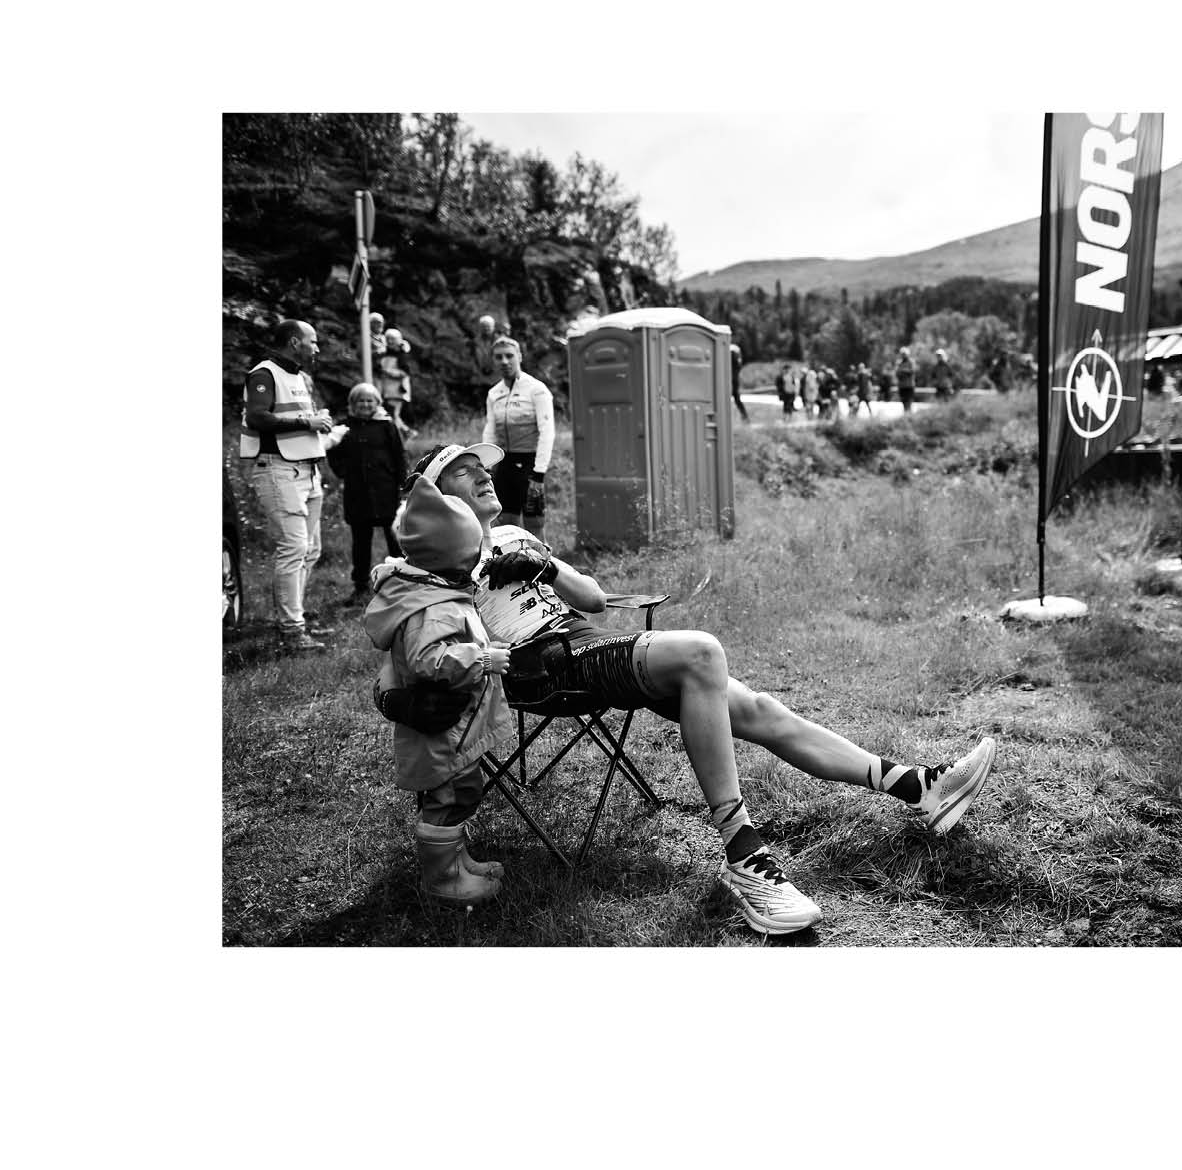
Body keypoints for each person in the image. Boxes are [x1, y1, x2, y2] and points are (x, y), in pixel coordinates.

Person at [411, 442, 999, 935]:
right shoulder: (435, 555)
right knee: (700, 653)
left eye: (483, 466)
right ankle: (745, 854)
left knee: (755, 706)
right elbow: (433, 641)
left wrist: (543, 565)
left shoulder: (515, 532)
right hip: (542, 670)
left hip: (589, 642)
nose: (485, 473)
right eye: (465, 471)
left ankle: (918, 787)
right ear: (436, 498)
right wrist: (472, 579)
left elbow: (591, 599)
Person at [363, 467, 519, 904]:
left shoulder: (435, 589)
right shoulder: (432, 608)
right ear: (449, 558)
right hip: (442, 729)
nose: (475, 563)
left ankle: (457, 859)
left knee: (463, 791)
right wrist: (483, 658)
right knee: (448, 796)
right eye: (470, 556)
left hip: (457, 726)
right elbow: (428, 660)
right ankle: (442, 878)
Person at [239, 319, 336, 653]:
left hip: (306, 470)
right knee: (294, 549)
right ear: (295, 342)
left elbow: (297, 419)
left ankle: (296, 620)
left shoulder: (298, 376)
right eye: (313, 341)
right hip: (279, 470)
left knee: (310, 550)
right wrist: (306, 422)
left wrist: (319, 425)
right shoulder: (264, 374)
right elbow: (257, 418)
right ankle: (291, 631)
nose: (317, 347)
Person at [327, 382, 408, 602]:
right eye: (360, 400)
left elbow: (399, 456)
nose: (365, 404)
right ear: (353, 404)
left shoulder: (387, 426)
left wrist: (405, 486)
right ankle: (360, 586)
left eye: (369, 400)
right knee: (360, 541)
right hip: (358, 493)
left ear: (377, 403)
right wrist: (344, 472)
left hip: (386, 491)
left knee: (395, 538)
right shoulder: (344, 427)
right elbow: (333, 453)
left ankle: (403, 582)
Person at [480, 336, 555, 536]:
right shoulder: (494, 393)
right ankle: (514, 566)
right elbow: (490, 430)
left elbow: (547, 432)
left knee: (535, 524)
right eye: (498, 357)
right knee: (506, 526)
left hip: (530, 464)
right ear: (493, 360)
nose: (504, 361)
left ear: (519, 357)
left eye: (509, 356)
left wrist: (539, 472)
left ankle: (543, 565)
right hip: (504, 464)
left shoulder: (537, 390)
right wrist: (484, 463)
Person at [378, 322, 415, 438]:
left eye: (392, 339)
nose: (389, 342)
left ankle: (406, 433)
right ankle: (402, 434)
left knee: (393, 414)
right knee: (392, 414)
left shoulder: (401, 355)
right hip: (387, 390)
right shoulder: (385, 354)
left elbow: (404, 373)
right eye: (388, 339)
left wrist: (387, 371)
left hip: (397, 391)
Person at [472, 315, 498, 381]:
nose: (486, 329)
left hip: (498, 377)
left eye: (488, 326)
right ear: (480, 328)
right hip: (480, 377)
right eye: (483, 326)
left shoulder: (500, 341)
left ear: (493, 327)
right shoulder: (474, 342)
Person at [729, 341, 748, 421]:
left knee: (733, 398)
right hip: (734, 379)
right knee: (736, 398)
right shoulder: (736, 350)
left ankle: (744, 416)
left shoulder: (731, 350)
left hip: (731, 379)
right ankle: (744, 416)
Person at [894, 346, 917, 413]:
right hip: (902, 386)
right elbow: (897, 373)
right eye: (902, 354)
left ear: (908, 354)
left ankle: (909, 416)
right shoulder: (899, 363)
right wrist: (904, 371)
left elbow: (912, 371)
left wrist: (903, 371)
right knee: (903, 402)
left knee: (909, 402)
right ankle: (906, 415)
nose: (903, 355)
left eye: (905, 354)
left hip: (910, 386)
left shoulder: (911, 362)